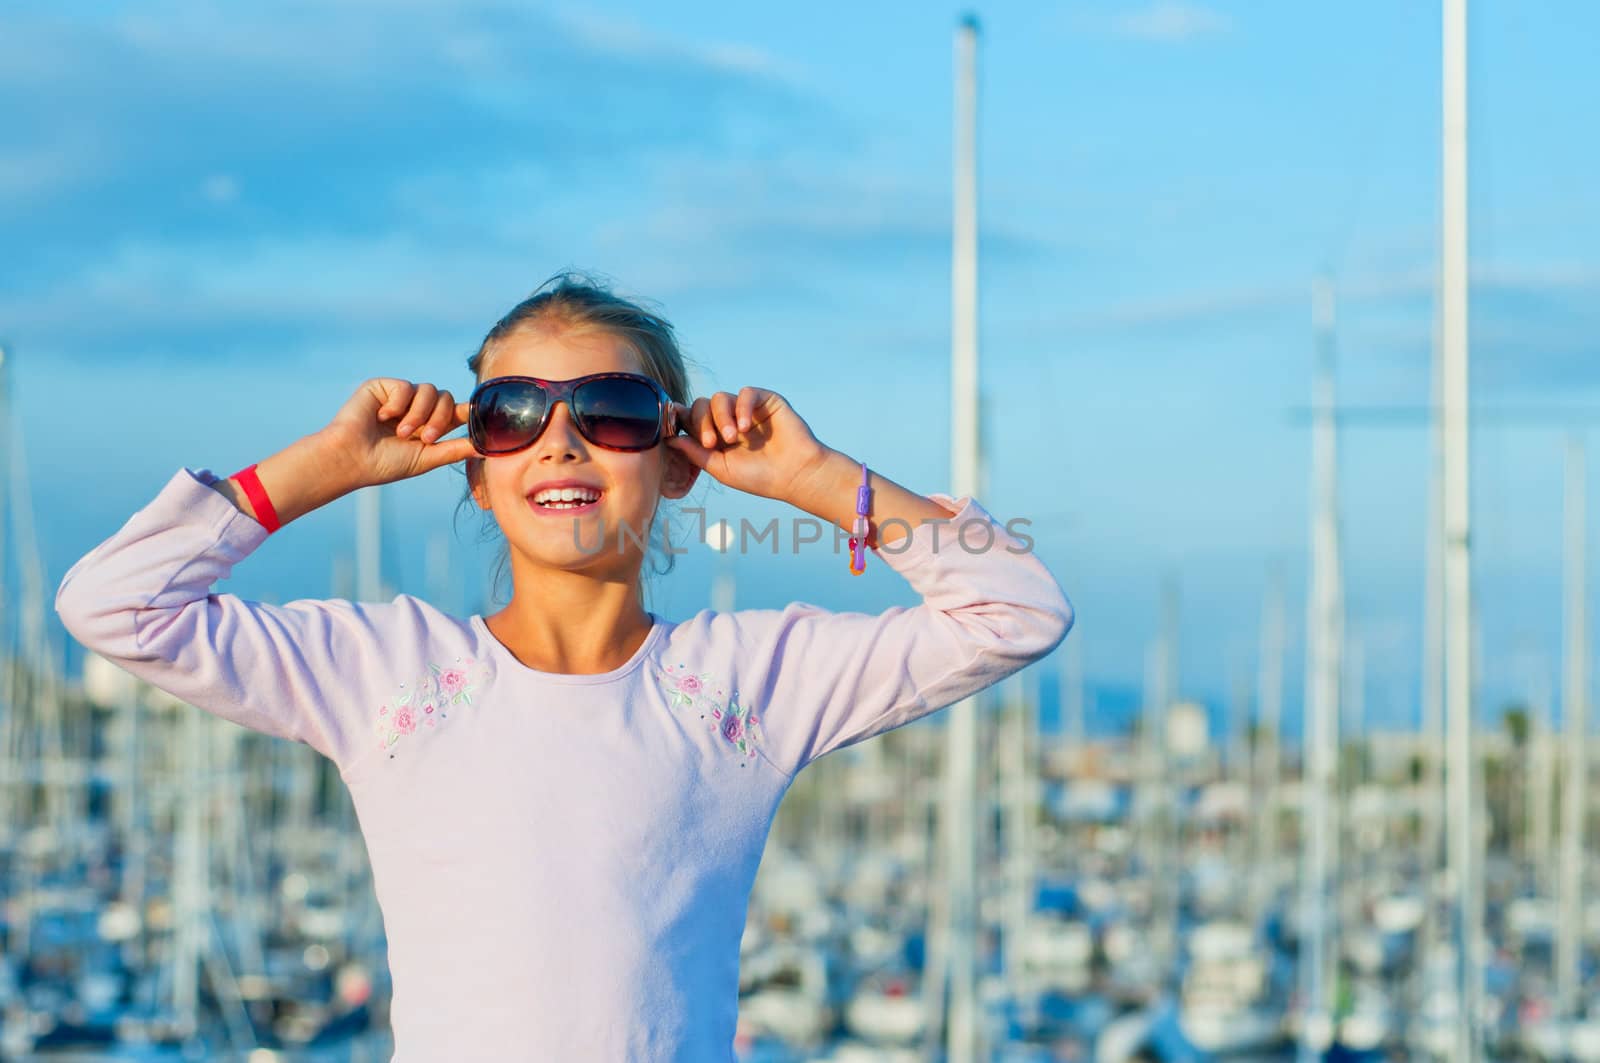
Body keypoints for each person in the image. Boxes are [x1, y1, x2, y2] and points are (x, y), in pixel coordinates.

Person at [55, 272, 1075, 1060]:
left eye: (615, 410)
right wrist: (326, 465)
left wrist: (815, 478)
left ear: (675, 463)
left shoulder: (747, 682)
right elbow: (113, 604)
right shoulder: (384, 671)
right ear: (478, 466)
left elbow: (1016, 611)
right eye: (511, 412)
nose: (560, 441)